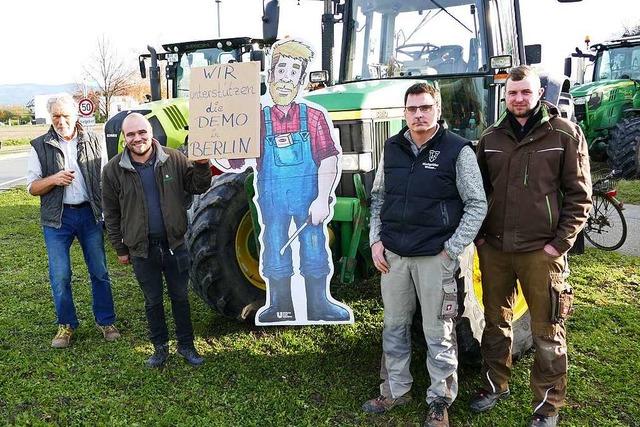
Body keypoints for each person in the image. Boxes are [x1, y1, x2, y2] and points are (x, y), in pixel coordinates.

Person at [471, 65, 592, 427]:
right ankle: (495, 385)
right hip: (494, 250)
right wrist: (479, 236)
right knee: (495, 324)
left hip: (542, 252)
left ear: (540, 94)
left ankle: (546, 408)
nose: (519, 98)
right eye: (512, 93)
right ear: (504, 96)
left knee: (547, 330)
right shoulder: (490, 138)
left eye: (526, 92)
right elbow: (477, 193)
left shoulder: (565, 135)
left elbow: (579, 196)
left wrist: (559, 244)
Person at [362, 82, 487, 427]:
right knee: (394, 327)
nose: (419, 114)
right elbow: (379, 198)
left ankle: (439, 400)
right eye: (412, 109)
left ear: (438, 110)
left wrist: (451, 250)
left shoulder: (457, 150)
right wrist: (376, 241)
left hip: (436, 257)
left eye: (425, 107)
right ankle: (395, 390)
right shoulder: (392, 147)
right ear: (404, 113)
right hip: (394, 257)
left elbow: (477, 204)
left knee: (439, 331)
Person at [227, 39, 352, 324]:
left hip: (309, 200)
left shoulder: (314, 117)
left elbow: (328, 158)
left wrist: (322, 199)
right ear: (270, 75)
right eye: (281, 70)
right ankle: (280, 305)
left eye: (293, 72)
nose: (286, 78)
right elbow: (234, 162)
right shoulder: (256, 120)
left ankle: (319, 305)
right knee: (274, 244)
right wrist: (216, 150)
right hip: (273, 201)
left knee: (312, 245)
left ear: (301, 80)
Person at [101, 112, 211, 368]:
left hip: (175, 245)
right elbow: (111, 213)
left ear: (150, 132)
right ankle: (160, 349)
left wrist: (203, 165)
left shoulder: (174, 158)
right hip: (141, 249)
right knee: (152, 301)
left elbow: (197, 185)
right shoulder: (113, 170)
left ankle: (186, 346)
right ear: (124, 138)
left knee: (180, 298)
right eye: (130, 134)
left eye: (141, 132)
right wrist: (120, 247)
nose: (137, 138)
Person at [26, 93, 120, 349]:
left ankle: (106, 321)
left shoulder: (93, 140)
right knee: (60, 276)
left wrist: (108, 210)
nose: (60, 120)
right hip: (57, 219)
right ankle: (66, 325)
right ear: (50, 118)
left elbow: (105, 178)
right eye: (55, 115)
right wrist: (54, 180)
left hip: (89, 214)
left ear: (76, 115)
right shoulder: (38, 145)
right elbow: (32, 187)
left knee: (99, 271)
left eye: (65, 115)